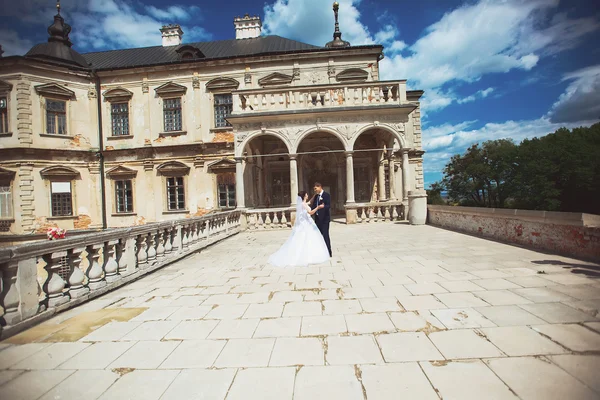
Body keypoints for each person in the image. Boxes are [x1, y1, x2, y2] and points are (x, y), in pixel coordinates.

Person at [268, 191, 331, 267]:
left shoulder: (303, 203)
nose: (307, 195)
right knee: (308, 238)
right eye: (307, 194)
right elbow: (310, 212)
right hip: (307, 223)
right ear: (304, 196)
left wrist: (314, 195)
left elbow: (309, 202)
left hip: (307, 222)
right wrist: (318, 207)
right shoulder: (303, 204)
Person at [311, 182, 332, 257]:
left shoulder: (326, 195)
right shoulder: (316, 196)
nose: (315, 190)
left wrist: (323, 207)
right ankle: (320, 252)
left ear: (320, 187)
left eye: (315, 188)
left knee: (325, 235)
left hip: (324, 220)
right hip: (317, 220)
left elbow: (328, 205)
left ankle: (329, 252)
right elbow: (313, 206)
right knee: (318, 236)